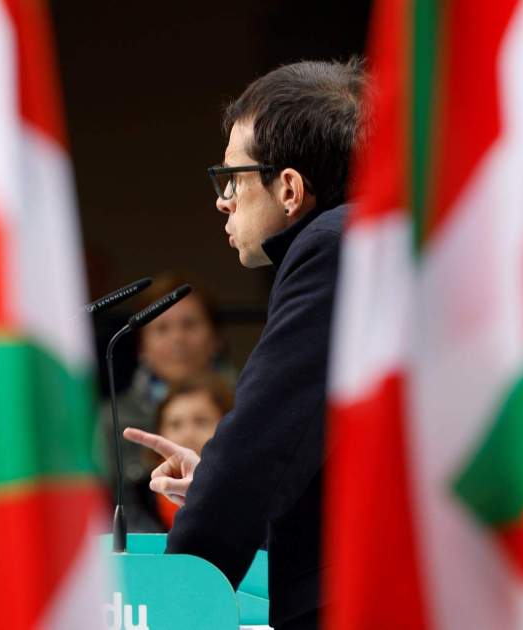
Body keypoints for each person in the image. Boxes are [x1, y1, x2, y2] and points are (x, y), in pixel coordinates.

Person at [125, 58, 367, 629]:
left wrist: (171, 604)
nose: (223, 200)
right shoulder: (372, 241)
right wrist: (216, 481)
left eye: (232, 177)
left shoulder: (331, 248)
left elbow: (265, 439)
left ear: (289, 189)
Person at [100, 272, 235, 531]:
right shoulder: (113, 418)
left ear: (216, 338)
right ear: (142, 347)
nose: (177, 339)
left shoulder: (248, 409)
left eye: (189, 324)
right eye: (162, 328)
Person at [145, 372, 234, 530]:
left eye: (201, 422)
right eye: (175, 424)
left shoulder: (251, 491)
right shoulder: (134, 496)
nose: (187, 435)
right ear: (160, 432)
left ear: (230, 427)